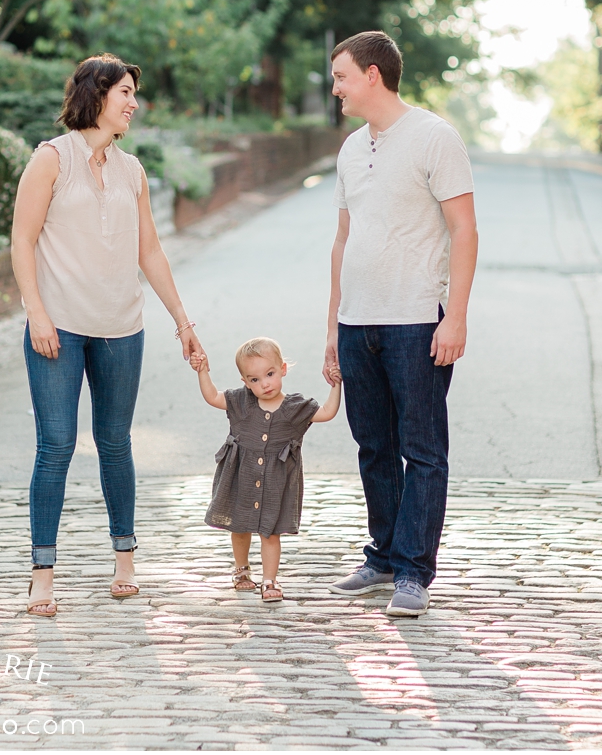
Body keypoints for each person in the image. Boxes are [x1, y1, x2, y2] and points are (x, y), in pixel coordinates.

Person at [12, 54, 206, 617]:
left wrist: (183, 321)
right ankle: (42, 575)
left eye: (133, 94)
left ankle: (125, 561)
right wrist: (37, 314)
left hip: (122, 327)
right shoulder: (51, 159)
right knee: (56, 445)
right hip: (59, 329)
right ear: (96, 95)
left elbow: (150, 251)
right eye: (125, 92)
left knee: (116, 444)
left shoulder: (132, 170)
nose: (133, 103)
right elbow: (22, 240)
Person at [319, 31, 478, 617]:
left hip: (416, 318)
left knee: (422, 448)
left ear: (372, 76)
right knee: (373, 446)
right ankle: (383, 555)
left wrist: (454, 316)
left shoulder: (435, 138)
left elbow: (465, 230)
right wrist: (333, 327)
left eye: (340, 76)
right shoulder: (349, 149)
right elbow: (343, 240)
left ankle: (414, 571)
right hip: (358, 321)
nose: (335, 87)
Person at [190, 336, 344, 601]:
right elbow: (212, 397)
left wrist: (336, 384)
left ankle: (270, 581)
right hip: (241, 478)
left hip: (275, 483)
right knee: (238, 527)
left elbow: (328, 411)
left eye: (270, 374)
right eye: (254, 380)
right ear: (245, 382)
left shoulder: (295, 408)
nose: (264, 384)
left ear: (283, 369)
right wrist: (202, 371)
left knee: (270, 532)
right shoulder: (240, 402)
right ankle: (241, 570)